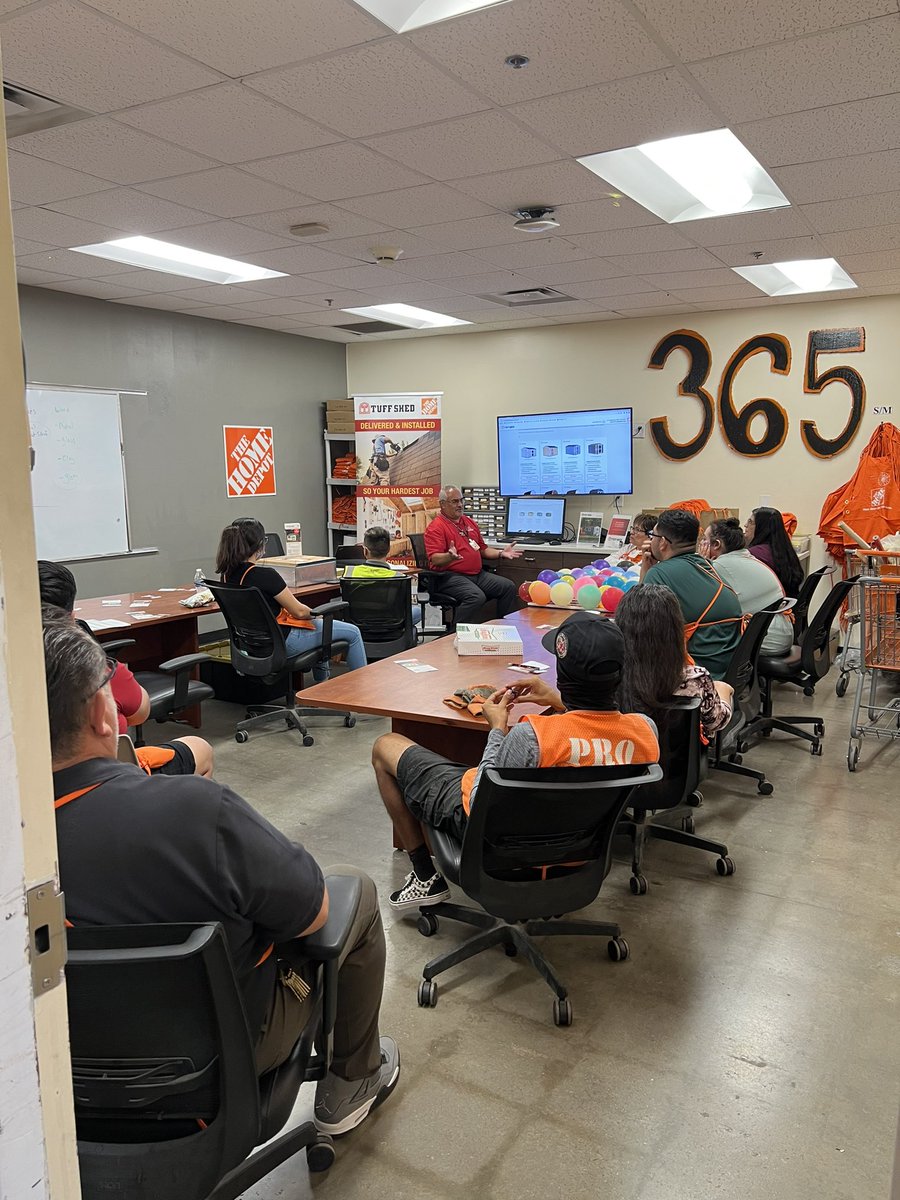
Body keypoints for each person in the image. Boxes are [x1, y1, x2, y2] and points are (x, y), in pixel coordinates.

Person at [43, 618, 399, 1135]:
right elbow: (314, 911)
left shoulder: (20, 854)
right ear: (104, 714)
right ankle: (351, 1083)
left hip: (73, 1073)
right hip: (218, 1060)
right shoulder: (196, 812)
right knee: (353, 891)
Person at [371, 612, 660, 909]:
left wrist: (497, 729)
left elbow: (481, 796)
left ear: (562, 674)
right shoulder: (645, 732)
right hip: (579, 853)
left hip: (498, 845)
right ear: (621, 672)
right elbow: (598, 729)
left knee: (385, 747)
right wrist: (559, 700)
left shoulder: (533, 737)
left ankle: (423, 876)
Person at [37, 560, 213, 778]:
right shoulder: (97, 671)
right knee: (200, 749)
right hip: (107, 779)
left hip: (41, 787)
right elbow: (141, 713)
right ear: (72, 618)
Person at [216, 517, 366, 679]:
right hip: (284, 642)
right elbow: (300, 612)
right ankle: (363, 690)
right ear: (259, 544)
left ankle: (319, 690)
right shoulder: (265, 575)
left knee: (319, 628)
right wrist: (316, 613)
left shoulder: (226, 576)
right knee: (353, 632)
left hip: (253, 645)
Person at [615, 583, 734, 739]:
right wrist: (724, 693)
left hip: (623, 756)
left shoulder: (609, 677)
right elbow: (716, 721)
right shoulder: (696, 680)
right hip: (678, 761)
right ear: (675, 629)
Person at [639, 508, 742, 680]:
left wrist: (646, 569)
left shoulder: (659, 574)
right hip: (727, 667)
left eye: (653, 536)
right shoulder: (707, 565)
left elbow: (640, 626)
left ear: (663, 542)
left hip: (697, 672)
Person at [423, 485, 522, 625]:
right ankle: (455, 635)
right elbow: (435, 559)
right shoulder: (436, 527)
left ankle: (503, 627)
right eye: (455, 501)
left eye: (461, 500)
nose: (460, 505)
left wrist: (501, 553)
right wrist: (450, 556)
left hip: (477, 575)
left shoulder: (468, 522)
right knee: (476, 597)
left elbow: (483, 549)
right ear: (443, 504)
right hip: (450, 576)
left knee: (508, 587)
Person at [704, 518, 793, 656]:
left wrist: (702, 564)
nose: (701, 544)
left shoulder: (719, 566)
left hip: (767, 640)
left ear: (716, 544)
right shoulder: (747, 557)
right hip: (782, 632)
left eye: (704, 540)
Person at [341, 526, 422, 625]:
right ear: (388, 550)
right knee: (417, 611)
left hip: (359, 626)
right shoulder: (399, 577)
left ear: (365, 551)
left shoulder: (349, 573)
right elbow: (404, 607)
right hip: (392, 627)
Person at [744, 507, 804, 598]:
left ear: (762, 528)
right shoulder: (783, 547)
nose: (745, 525)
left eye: (750, 522)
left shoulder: (754, 554)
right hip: (786, 604)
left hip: (770, 606)